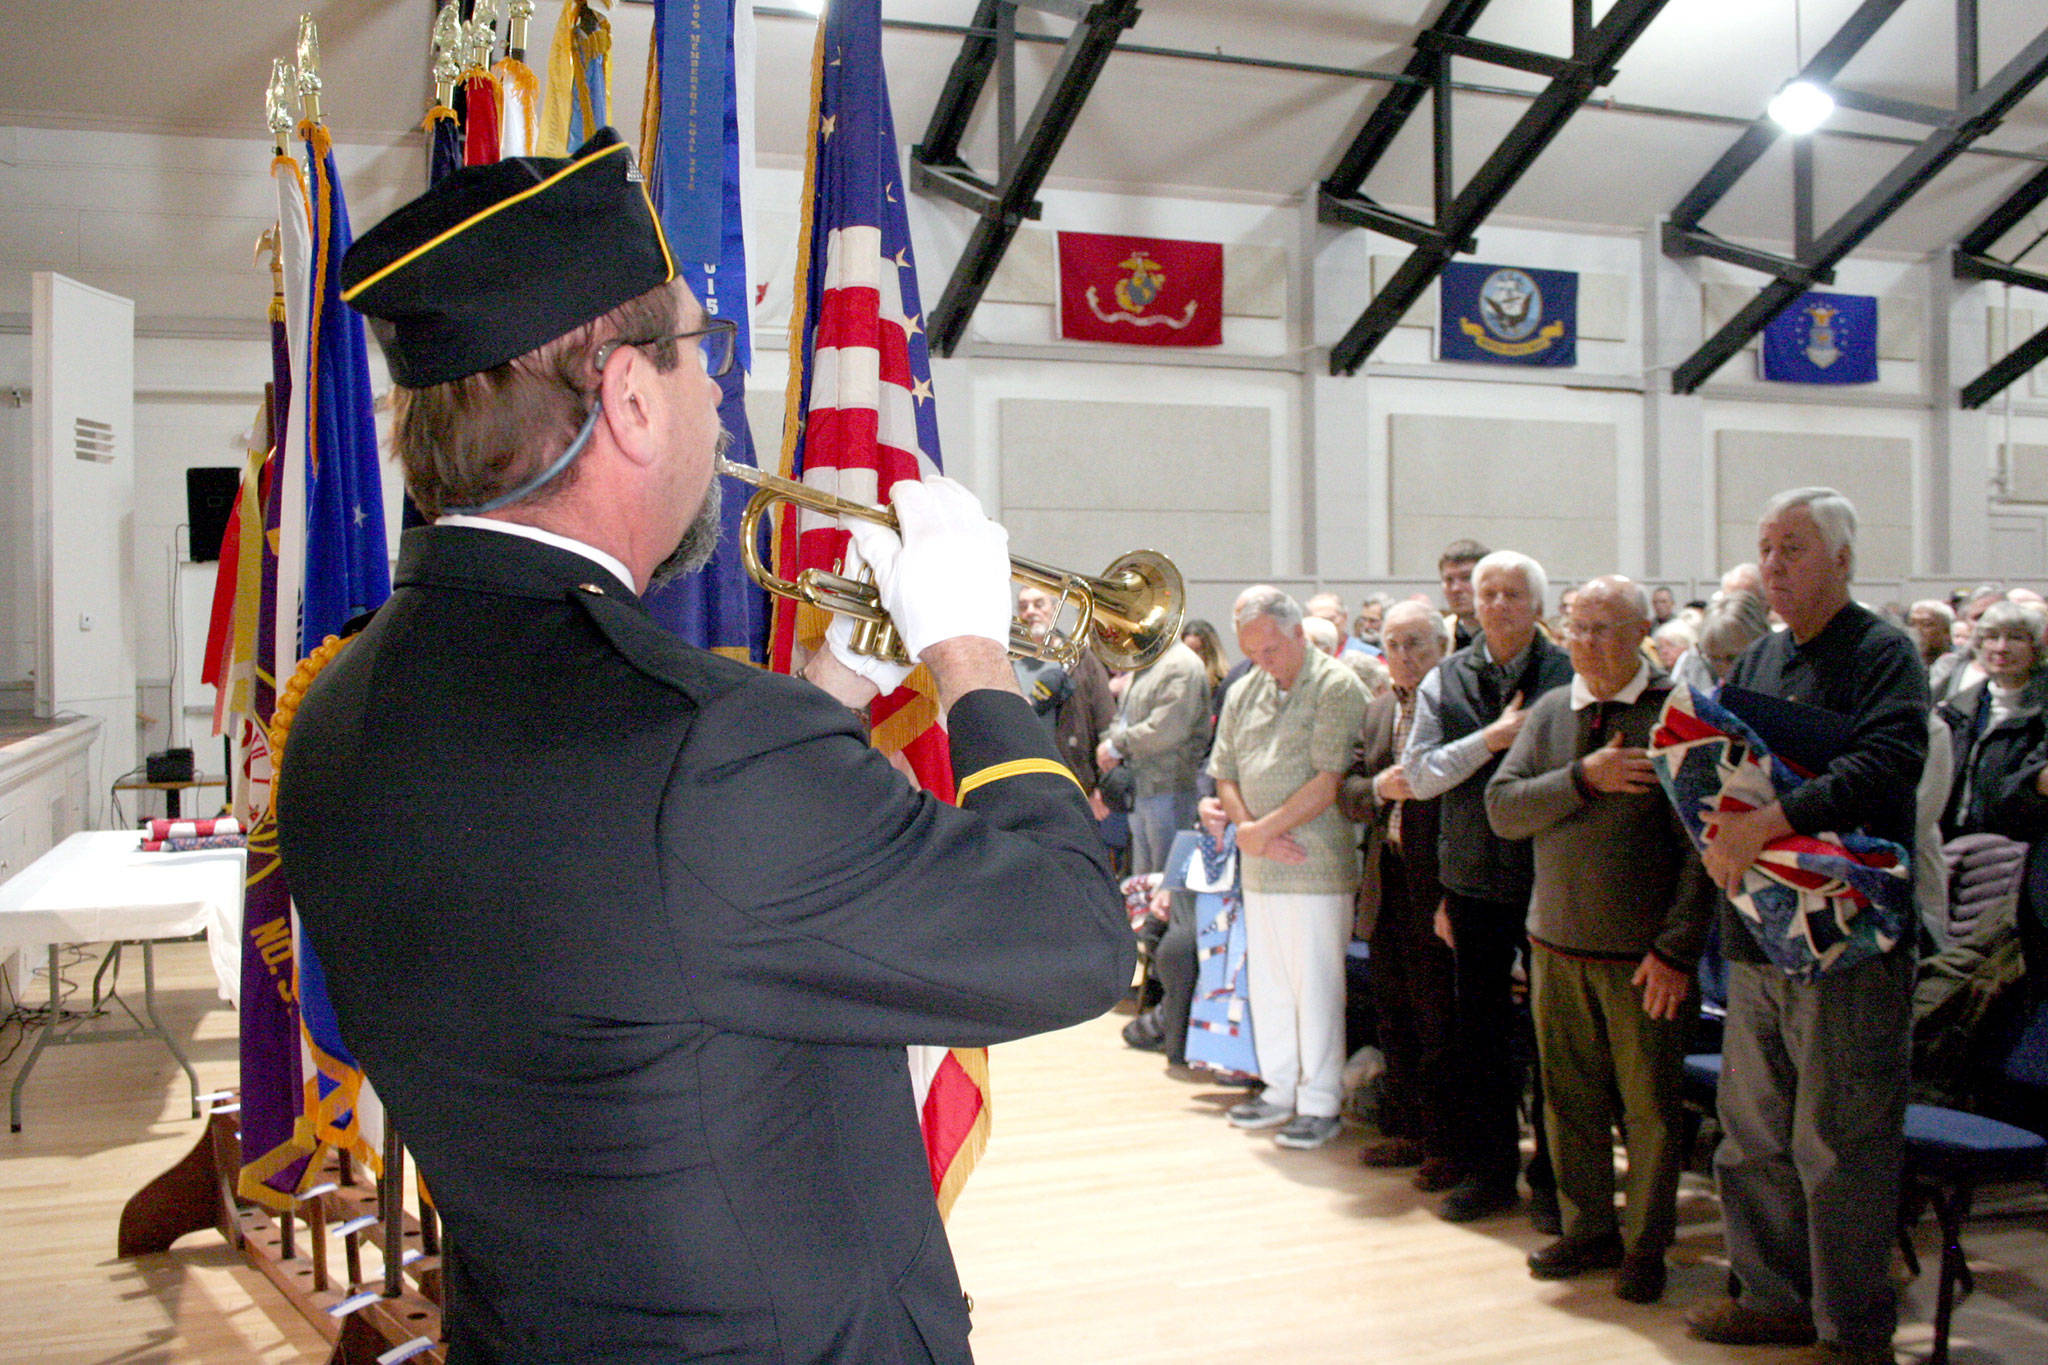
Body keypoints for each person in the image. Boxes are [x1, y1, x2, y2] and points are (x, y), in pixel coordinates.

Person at [273, 130, 1132, 1365]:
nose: (718, 396)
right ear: (627, 396)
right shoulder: (708, 753)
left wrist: (833, 687)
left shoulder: (343, 704)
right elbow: (1072, 941)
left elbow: (646, 912)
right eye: (700, 355)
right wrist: (970, 658)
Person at [1688, 488, 1927, 1365]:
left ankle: (1852, 1327)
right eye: (1765, 547)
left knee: (1839, 1141)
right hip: (1759, 932)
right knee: (1753, 1134)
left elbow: (1887, 762)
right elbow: (1723, 771)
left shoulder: (1883, 651)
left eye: (1794, 546)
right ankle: (1773, 1296)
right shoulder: (1753, 661)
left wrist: (1771, 821)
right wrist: (1717, 828)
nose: (1775, 563)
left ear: (1842, 560)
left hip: (1851, 938)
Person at [1485, 577, 1717, 1305]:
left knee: (1648, 1110)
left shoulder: (1679, 718)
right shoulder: (1554, 710)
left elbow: (1703, 849)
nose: (1586, 641)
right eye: (1576, 627)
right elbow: (1502, 808)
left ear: (1644, 629)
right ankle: (1589, 1228)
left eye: (1604, 627)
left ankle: (1647, 1244)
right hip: (1556, 944)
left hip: (1645, 959)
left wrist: (1678, 948)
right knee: (1568, 1099)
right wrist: (1582, 778)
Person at [1403, 550, 1573, 1226]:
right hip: (1472, 878)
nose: (1497, 604)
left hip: (1552, 878)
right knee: (1481, 1037)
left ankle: (1559, 1180)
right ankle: (1490, 1170)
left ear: (1537, 605)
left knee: (1553, 1039)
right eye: (1487, 593)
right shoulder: (1449, 675)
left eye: (1511, 593)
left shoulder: (1567, 671)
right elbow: (1418, 775)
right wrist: (1492, 739)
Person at [1209, 587, 1371, 1150]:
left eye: (1271, 648)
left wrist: (1260, 831)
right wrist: (1250, 833)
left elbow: (1328, 781)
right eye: (1251, 650)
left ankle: (1320, 1100)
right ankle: (1279, 1089)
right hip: (1260, 862)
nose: (1261, 660)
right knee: (1270, 984)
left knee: (1316, 987)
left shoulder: (1337, 685)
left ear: (1299, 632)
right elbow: (1224, 770)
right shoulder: (1246, 688)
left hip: (1314, 863)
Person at [1337, 600, 1457, 1182]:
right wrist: (1381, 788)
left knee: (1439, 1019)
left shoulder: (1459, 708)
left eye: (1418, 644)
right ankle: (1404, 1129)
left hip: (1439, 884)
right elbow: (1350, 793)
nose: (1405, 656)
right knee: (1394, 1013)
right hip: (1386, 879)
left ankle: (1443, 1141)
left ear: (1443, 649)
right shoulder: (1379, 708)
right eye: (1395, 645)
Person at [1097, 628, 1211, 876]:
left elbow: (1166, 730)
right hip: (1140, 787)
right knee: (1144, 881)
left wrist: (1115, 745)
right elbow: (1123, 716)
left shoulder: (1182, 664)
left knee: (1167, 880)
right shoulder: (1146, 663)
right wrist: (1109, 745)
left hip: (1168, 787)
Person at [1016, 584, 1116, 795]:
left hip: (1073, 779)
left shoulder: (1080, 658)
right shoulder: (1006, 660)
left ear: (1054, 608)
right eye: (1023, 606)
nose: (1030, 611)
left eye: (1039, 604)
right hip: (1022, 780)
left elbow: (1105, 718)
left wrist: (1101, 787)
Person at [1438, 539, 1489, 651]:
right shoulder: (1439, 636)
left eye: (1466, 578)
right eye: (1449, 580)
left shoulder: (1513, 633)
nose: (1456, 589)